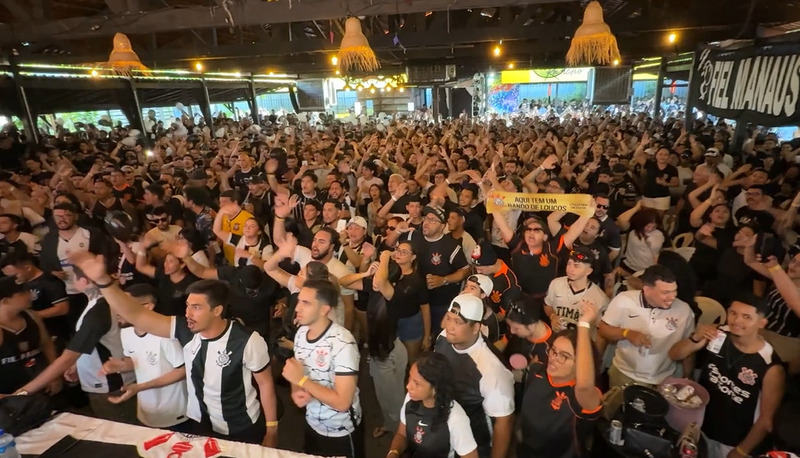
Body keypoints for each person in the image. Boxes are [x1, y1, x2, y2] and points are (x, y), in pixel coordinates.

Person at [66, 251, 279, 446]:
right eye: (187, 306)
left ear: (217, 310)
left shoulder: (247, 340)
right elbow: (137, 315)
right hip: (201, 424)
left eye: (196, 307)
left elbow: (265, 383)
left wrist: (271, 430)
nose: (188, 313)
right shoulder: (186, 331)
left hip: (242, 427)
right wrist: (105, 282)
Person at [8, 264, 137, 424]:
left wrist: (24, 392)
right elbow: (95, 343)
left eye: (74, 278)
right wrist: (78, 364)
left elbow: (69, 356)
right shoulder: (102, 303)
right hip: (105, 381)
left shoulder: (99, 310)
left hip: (110, 385)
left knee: (121, 434)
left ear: (83, 281)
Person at [668, 293, 785, 458]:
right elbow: (675, 354)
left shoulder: (770, 366)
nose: (737, 320)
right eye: (733, 313)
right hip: (699, 426)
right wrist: (696, 337)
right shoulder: (718, 334)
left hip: (732, 442)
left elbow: (767, 420)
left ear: (762, 323)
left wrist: (741, 451)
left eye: (746, 317)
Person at [282, 279, 364, 458]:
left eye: (306, 303)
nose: (297, 308)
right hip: (312, 423)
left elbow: (343, 402)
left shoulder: (343, 343)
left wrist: (301, 381)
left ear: (324, 309)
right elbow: (298, 372)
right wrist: (297, 389)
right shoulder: (302, 333)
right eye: (299, 301)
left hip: (341, 431)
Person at [516, 301, 603, 458]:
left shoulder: (581, 397)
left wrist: (583, 325)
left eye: (564, 356)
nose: (554, 358)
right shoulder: (537, 371)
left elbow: (584, 385)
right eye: (553, 351)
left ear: (581, 364)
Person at [435, 294, 515, 458]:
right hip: (445, 431)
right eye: (449, 319)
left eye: (458, 322)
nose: (450, 327)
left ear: (475, 327)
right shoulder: (443, 339)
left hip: (476, 442)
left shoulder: (491, 370)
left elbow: (504, 422)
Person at [100, 283, 189, 429]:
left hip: (174, 414)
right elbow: (134, 360)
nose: (118, 310)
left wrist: (141, 387)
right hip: (146, 412)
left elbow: (182, 370)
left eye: (125, 305)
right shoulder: (126, 332)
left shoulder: (165, 334)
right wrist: (121, 365)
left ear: (148, 307)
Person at [598, 265, 696, 387]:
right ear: (647, 290)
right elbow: (603, 330)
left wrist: (687, 377)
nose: (672, 297)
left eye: (674, 291)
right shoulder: (624, 300)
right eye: (666, 292)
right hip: (623, 374)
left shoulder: (684, 310)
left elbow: (689, 348)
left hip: (663, 380)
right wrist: (627, 333)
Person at [386, 352, 478, 458]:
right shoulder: (410, 398)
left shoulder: (456, 418)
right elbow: (402, 434)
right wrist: (393, 452)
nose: (408, 386)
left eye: (417, 383)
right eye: (410, 378)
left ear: (435, 388)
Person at [1, 251, 70, 348]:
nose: (12, 280)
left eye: (14, 275)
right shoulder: (18, 285)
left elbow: (62, 308)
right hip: (30, 334)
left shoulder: (49, 281)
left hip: (54, 333)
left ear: (28, 267)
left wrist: (33, 317)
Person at [0, 277, 58, 395]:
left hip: (40, 386)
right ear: (5, 301)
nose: (30, 295)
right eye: (22, 293)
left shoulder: (31, 316)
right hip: (11, 395)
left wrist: (54, 375)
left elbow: (46, 344)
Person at [544, 246, 609, 340]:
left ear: (588, 271)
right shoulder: (556, 284)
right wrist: (553, 316)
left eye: (576, 266)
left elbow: (601, 332)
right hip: (557, 340)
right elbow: (547, 305)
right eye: (569, 264)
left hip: (582, 345)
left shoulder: (600, 298)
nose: (570, 269)